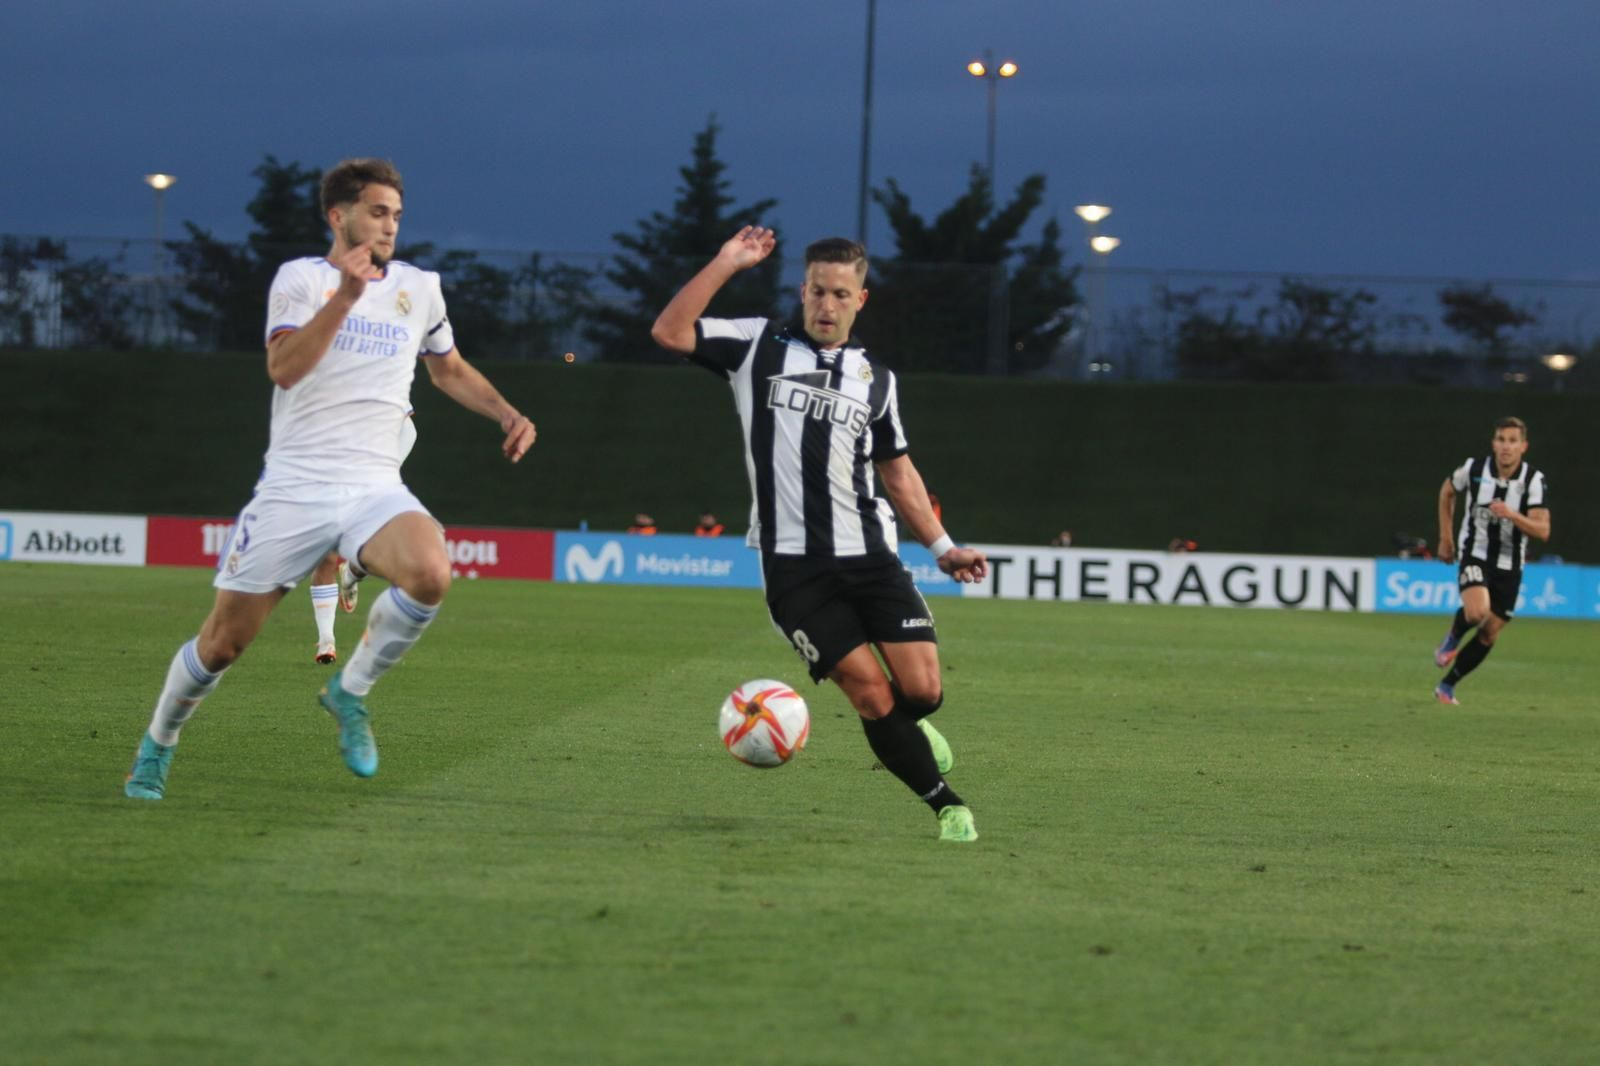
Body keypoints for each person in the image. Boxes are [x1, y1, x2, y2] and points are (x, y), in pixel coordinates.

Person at [123, 158, 536, 800]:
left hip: (374, 482)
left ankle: (349, 690)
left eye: (397, 214)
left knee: (431, 573)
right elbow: (284, 368)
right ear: (337, 215)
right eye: (377, 211)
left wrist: (506, 411)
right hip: (295, 485)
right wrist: (346, 298)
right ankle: (158, 744)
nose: (390, 225)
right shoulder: (302, 279)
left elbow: (448, 369)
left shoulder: (420, 287)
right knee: (222, 645)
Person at [651, 227, 989, 842]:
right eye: (815, 292)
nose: (826, 306)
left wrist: (943, 548)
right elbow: (670, 332)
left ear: (861, 299)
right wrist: (726, 261)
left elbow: (899, 472)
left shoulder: (876, 380)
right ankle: (947, 806)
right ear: (801, 291)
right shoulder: (756, 345)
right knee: (870, 695)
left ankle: (914, 728)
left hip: (872, 559)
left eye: (840, 294)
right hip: (795, 570)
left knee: (923, 691)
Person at [1432, 416, 1551, 704]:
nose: (1506, 447)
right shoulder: (1473, 468)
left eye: (1513, 441)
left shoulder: (1533, 480)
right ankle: (1452, 638)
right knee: (1477, 612)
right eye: (1501, 440)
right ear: (1494, 443)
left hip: (1511, 565)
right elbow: (1447, 491)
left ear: (1524, 446)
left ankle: (1447, 686)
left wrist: (1512, 514)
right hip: (1475, 552)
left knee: (1489, 633)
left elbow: (1543, 530)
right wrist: (1446, 538)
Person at [306, 411, 415, 663]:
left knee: (373, 549)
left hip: (371, 474)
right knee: (327, 556)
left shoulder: (377, 383)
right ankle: (326, 641)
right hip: (331, 473)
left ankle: (353, 572)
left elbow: (408, 428)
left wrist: (387, 472)